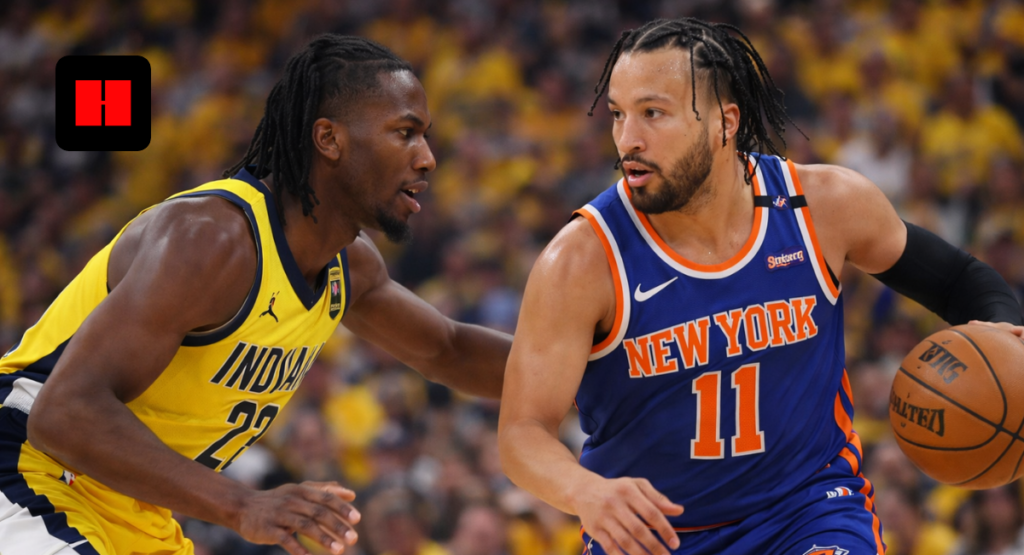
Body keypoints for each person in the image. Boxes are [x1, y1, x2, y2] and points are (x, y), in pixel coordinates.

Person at [497, 18, 1024, 555]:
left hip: (808, 510)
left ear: (726, 123)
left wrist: (1008, 342)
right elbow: (522, 431)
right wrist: (586, 491)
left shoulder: (822, 205)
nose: (627, 139)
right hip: (652, 539)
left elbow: (959, 280)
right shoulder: (581, 259)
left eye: (653, 113)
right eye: (617, 114)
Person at [0, 35, 510, 555]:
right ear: (329, 139)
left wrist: (588, 366)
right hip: (25, 469)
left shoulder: (348, 268)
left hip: (132, 507)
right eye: (405, 133)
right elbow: (63, 413)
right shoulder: (211, 239)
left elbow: (449, 351)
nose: (427, 158)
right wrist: (244, 505)